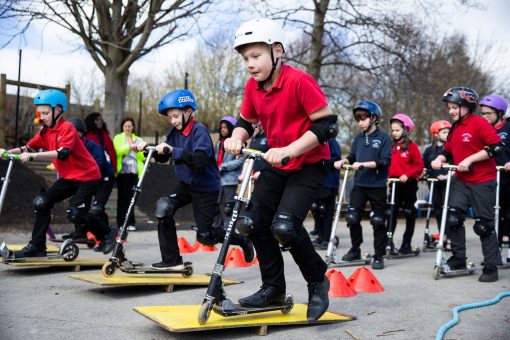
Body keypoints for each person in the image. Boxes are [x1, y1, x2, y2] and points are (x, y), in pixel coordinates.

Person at [224, 18, 337, 321]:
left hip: (310, 163)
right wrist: (236, 137)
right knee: (252, 222)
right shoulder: (253, 87)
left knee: (284, 227)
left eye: (256, 56)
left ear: (277, 51)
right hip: (276, 162)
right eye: (245, 58)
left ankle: (317, 281)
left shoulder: (299, 81)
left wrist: (290, 149)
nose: (249, 64)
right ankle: (273, 288)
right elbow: (246, 122)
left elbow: (327, 125)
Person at [137, 89, 254, 270]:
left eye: (176, 116)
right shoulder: (174, 133)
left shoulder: (199, 131)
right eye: (170, 117)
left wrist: (172, 151)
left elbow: (199, 160)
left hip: (206, 187)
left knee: (205, 237)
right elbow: (164, 156)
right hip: (186, 185)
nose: (173, 120)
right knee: (163, 208)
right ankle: (171, 260)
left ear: (188, 111)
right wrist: (148, 149)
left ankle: (242, 240)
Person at [0, 89, 116, 257]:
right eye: (40, 113)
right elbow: (27, 147)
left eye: (46, 113)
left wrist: (34, 156)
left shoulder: (67, 128)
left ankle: (107, 233)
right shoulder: (44, 132)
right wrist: (8, 152)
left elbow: (63, 152)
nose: (42, 117)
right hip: (69, 177)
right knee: (41, 202)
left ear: (58, 110)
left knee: (75, 213)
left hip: (88, 176)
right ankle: (37, 246)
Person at [431, 87, 503, 282]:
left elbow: (496, 147)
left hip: (482, 180)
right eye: (449, 107)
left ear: (467, 106)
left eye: (455, 107)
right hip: (461, 181)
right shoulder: (455, 127)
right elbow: (447, 150)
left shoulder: (479, 123)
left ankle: (491, 266)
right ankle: (458, 258)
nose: (452, 111)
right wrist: (439, 158)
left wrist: (470, 159)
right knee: (453, 218)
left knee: (483, 225)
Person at [334, 100, 392, 270]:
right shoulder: (358, 138)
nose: (360, 123)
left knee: (378, 220)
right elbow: (352, 157)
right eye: (358, 119)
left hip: (377, 185)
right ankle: (355, 249)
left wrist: (364, 164)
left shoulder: (383, 138)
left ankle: (378, 255)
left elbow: (385, 161)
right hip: (360, 184)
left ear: (374, 118)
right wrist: (344, 161)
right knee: (352, 217)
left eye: (363, 119)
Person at [67, 117, 115, 252]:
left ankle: (107, 237)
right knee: (77, 206)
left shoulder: (92, 146)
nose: (72, 136)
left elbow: (98, 165)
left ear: (82, 133)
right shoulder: (70, 147)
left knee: (97, 209)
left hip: (104, 178)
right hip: (88, 180)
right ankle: (81, 233)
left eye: (76, 133)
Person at [387, 113, 424, 254]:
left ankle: (406, 244)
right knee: (391, 213)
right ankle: (388, 242)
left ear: (405, 130)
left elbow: (419, 166)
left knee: (409, 213)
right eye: (392, 130)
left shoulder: (412, 146)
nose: (394, 133)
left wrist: (407, 174)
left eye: (397, 130)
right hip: (394, 185)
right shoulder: (390, 146)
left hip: (408, 185)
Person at [479, 94, 510, 263]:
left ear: (499, 113)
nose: (485, 117)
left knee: (507, 211)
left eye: (488, 113)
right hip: (491, 175)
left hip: (507, 175)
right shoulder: (483, 129)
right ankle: (493, 252)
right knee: (491, 213)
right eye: (483, 113)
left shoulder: (508, 127)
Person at [423, 120, 452, 248]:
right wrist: (423, 172)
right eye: (444, 132)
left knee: (449, 211)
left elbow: (456, 165)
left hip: (448, 184)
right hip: (434, 184)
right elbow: (424, 166)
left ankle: (451, 239)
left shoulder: (450, 149)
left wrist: (446, 176)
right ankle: (443, 236)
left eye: (448, 132)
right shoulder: (429, 150)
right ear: (435, 134)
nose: (447, 134)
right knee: (439, 211)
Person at [213, 115, 245, 229]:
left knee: (228, 206)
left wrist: (223, 166)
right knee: (214, 203)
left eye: (226, 127)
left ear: (231, 128)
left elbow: (240, 160)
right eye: (222, 127)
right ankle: (218, 227)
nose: (223, 130)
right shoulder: (220, 143)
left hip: (230, 179)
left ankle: (229, 228)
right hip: (218, 178)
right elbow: (216, 158)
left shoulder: (237, 143)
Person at [113, 117, 145, 231]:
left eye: (129, 126)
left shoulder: (138, 139)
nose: (127, 128)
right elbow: (116, 151)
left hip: (134, 172)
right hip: (122, 172)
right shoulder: (118, 137)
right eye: (125, 126)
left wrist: (138, 150)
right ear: (122, 127)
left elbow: (143, 156)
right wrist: (129, 146)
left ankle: (131, 222)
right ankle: (121, 223)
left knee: (132, 198)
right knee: (122, 198)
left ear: (133, 127)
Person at [310, 138, 341, 250]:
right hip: (319, 182)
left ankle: (327, 238)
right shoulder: (317, 141)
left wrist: (320, 161)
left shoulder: (332, 143)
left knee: (326, 211)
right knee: (318, 210)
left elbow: (335, 160)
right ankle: (320, 235)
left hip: (329, 182)